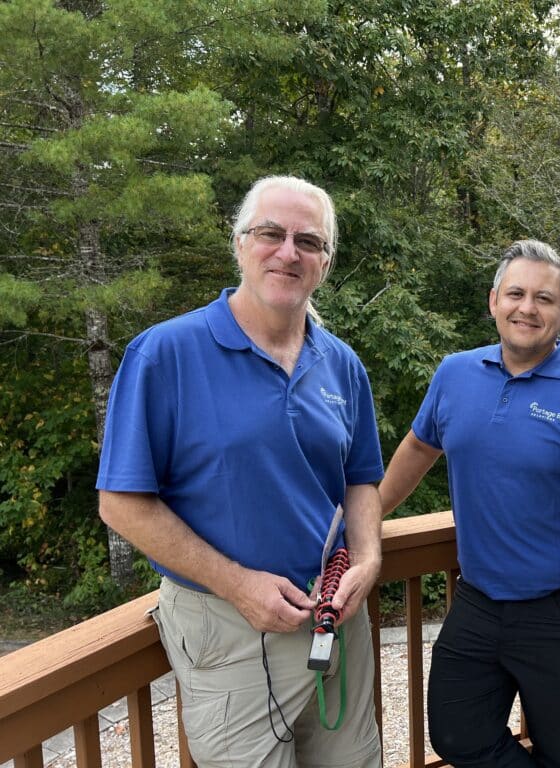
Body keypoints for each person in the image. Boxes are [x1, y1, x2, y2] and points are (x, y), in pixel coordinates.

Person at [96, 176, 384, 768]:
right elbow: (121, 503)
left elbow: (361, 481)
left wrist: (370, 557)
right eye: (270, 234)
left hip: (334, 617)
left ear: (325, 263)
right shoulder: (165, 353)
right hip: (227, 627)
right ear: (239, 244)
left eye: (308, 241)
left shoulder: (342, 364)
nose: (288, 251)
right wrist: (236, 584)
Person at [379, 239, 560, 768]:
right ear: (494, 301)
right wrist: (369, 518)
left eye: (544, 299)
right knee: (456, 734)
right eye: (516, 294)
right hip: (477, 601)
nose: (527, 308)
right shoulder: (455, 374)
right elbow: (418, 446)